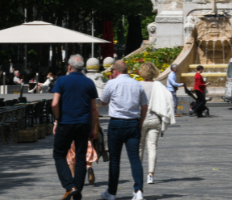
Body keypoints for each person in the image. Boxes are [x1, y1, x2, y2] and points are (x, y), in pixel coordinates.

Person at [99, 59, 149, 200]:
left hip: (116, 124)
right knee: (135, 159)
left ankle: (112, 192)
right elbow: (144, 105)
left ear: (115, 71)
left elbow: (103, 101)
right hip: (133, 123)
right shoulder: (137, 84)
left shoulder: (112, 83)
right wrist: (140, 122)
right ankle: (138, 191)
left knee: (115, 160)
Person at [52, 55, 100, 200]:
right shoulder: (89, 83)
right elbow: (94, 109)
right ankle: (77, 193)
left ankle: (69, 186)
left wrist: (56, 120)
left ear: (69, 67)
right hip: (83, 124)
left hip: (65, 123)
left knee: (59, 155)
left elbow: (54, 104)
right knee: (80, 159)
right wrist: (93, 128)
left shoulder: (61, 80)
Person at [137, 62, 175, 185]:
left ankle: (138, 173)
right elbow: (168, 97)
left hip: (141, 119)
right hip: (155, 119)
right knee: (152, 147)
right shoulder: (158, 85)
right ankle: (150, 175)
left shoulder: (138, 85)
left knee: (140, 147)